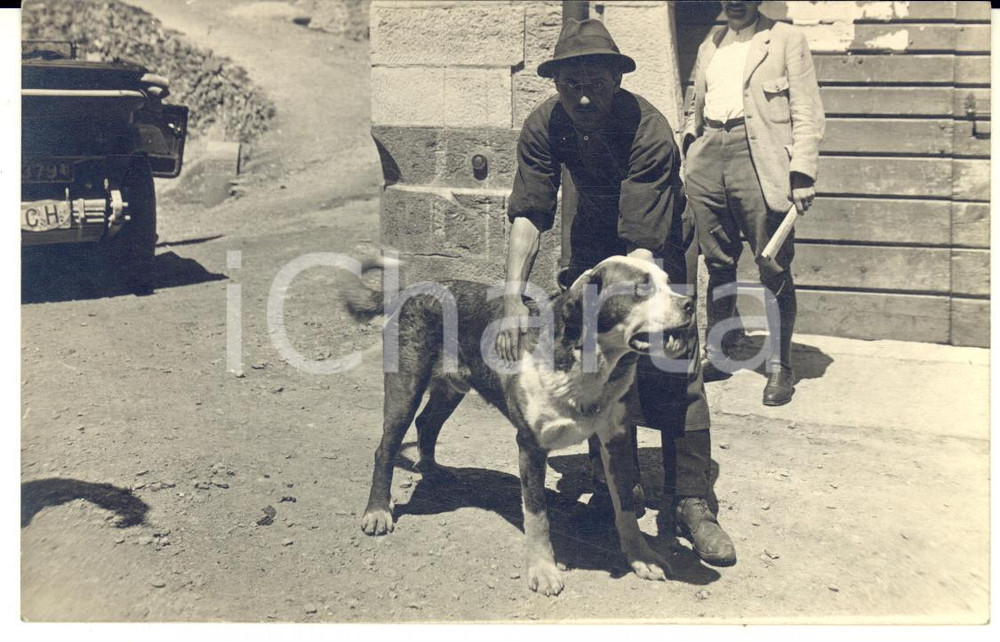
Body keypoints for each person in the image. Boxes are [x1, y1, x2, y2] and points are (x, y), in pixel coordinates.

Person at [496, 18, 736, 567]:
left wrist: (639, 317)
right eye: (570, 84)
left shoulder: (648, 128)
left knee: (671, 366)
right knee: (593, 366)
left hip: (657, 246)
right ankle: (613, 490)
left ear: (617, 80)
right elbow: (529, 213)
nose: (583, 96)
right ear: (556, 84)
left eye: (596, 84)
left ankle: (692, 501)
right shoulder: (543, 124)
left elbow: (641, 247)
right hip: (592, 248)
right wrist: (511, 298)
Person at [682, 0, 825, 406]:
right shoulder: (711, 42)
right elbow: (696, 103)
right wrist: (690, 146)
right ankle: (721, 352)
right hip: (708, 155)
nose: (735, 2)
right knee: (717, 262)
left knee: (772, 261)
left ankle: (780, 365)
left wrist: (802, 173)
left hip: (759, 157)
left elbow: (807, 110)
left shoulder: (785, 39)